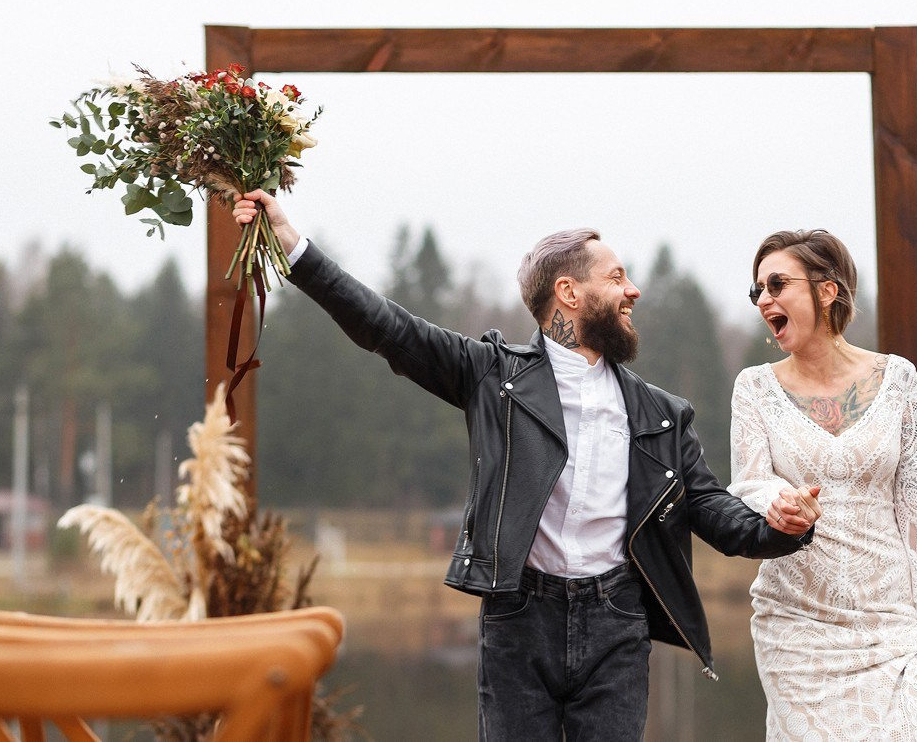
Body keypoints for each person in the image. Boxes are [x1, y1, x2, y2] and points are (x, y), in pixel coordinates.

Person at [233, 190, 821, 741]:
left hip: (618, 621)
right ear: (569, 293)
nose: (633, 291)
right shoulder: (491, 375)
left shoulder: (661, 413)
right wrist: (292, 246)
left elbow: (711, 508)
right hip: (518, 618)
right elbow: (385, 327)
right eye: (616, 277)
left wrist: (779, 527)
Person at [729, 229, 917, 740]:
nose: (764, 299)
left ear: (827, 291)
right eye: (757, 290)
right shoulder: (754, 388)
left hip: (891, 624)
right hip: (798, 629)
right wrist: (780, 501)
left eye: (777, 284)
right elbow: (749, 482)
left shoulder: (897, 379)